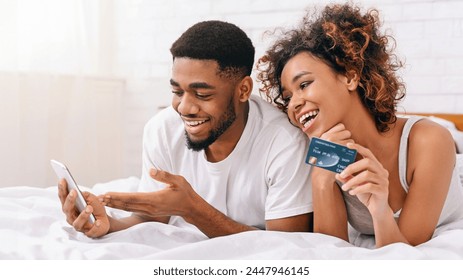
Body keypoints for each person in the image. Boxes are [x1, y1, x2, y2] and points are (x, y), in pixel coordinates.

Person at [58, 20, 313, 238]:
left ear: (243, 90)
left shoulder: (284, 142)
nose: (185, 108)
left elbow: (286, 247)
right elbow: (152, 220)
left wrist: (192, 209)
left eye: (202, 94)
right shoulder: (162, 129)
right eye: (177, 91)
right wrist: (107, 224)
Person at [257, 3, 463, 248]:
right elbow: (331, 252)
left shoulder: (429, 141)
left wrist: (380, 211)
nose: (294, 105)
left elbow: (405, 256)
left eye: (304, 84)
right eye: (288, 97)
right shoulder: (324, 151)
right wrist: (321, 180)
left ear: (351, 76)